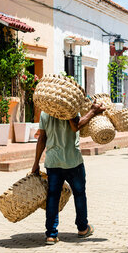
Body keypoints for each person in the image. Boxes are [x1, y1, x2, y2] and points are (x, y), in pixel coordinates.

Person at [31, 102, 105, 245]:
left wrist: (36, 163)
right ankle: (83, 228)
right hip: (73, 161)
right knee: (79, 194)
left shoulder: (45, 112)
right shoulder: (70, 109)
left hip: (53, 161)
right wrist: (93, 112)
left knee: (53, 197)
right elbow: (76, 126)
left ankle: (51, 234)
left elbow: (42, 138)